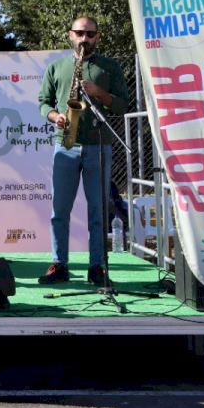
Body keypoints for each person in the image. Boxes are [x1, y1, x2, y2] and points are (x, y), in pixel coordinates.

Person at [37, 16, 128, 286]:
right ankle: (59, 264)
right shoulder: (56, 67)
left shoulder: (110, 67)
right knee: (59, 210)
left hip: (98, 146)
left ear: (97, 37)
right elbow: (43, 103)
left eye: (90, 34)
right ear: (70, 35)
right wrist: (55, 116)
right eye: (79, 33)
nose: (84, 39)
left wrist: (99, 92)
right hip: (65, 144)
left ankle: (96, 266)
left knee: (98, 210)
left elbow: (122, 105)